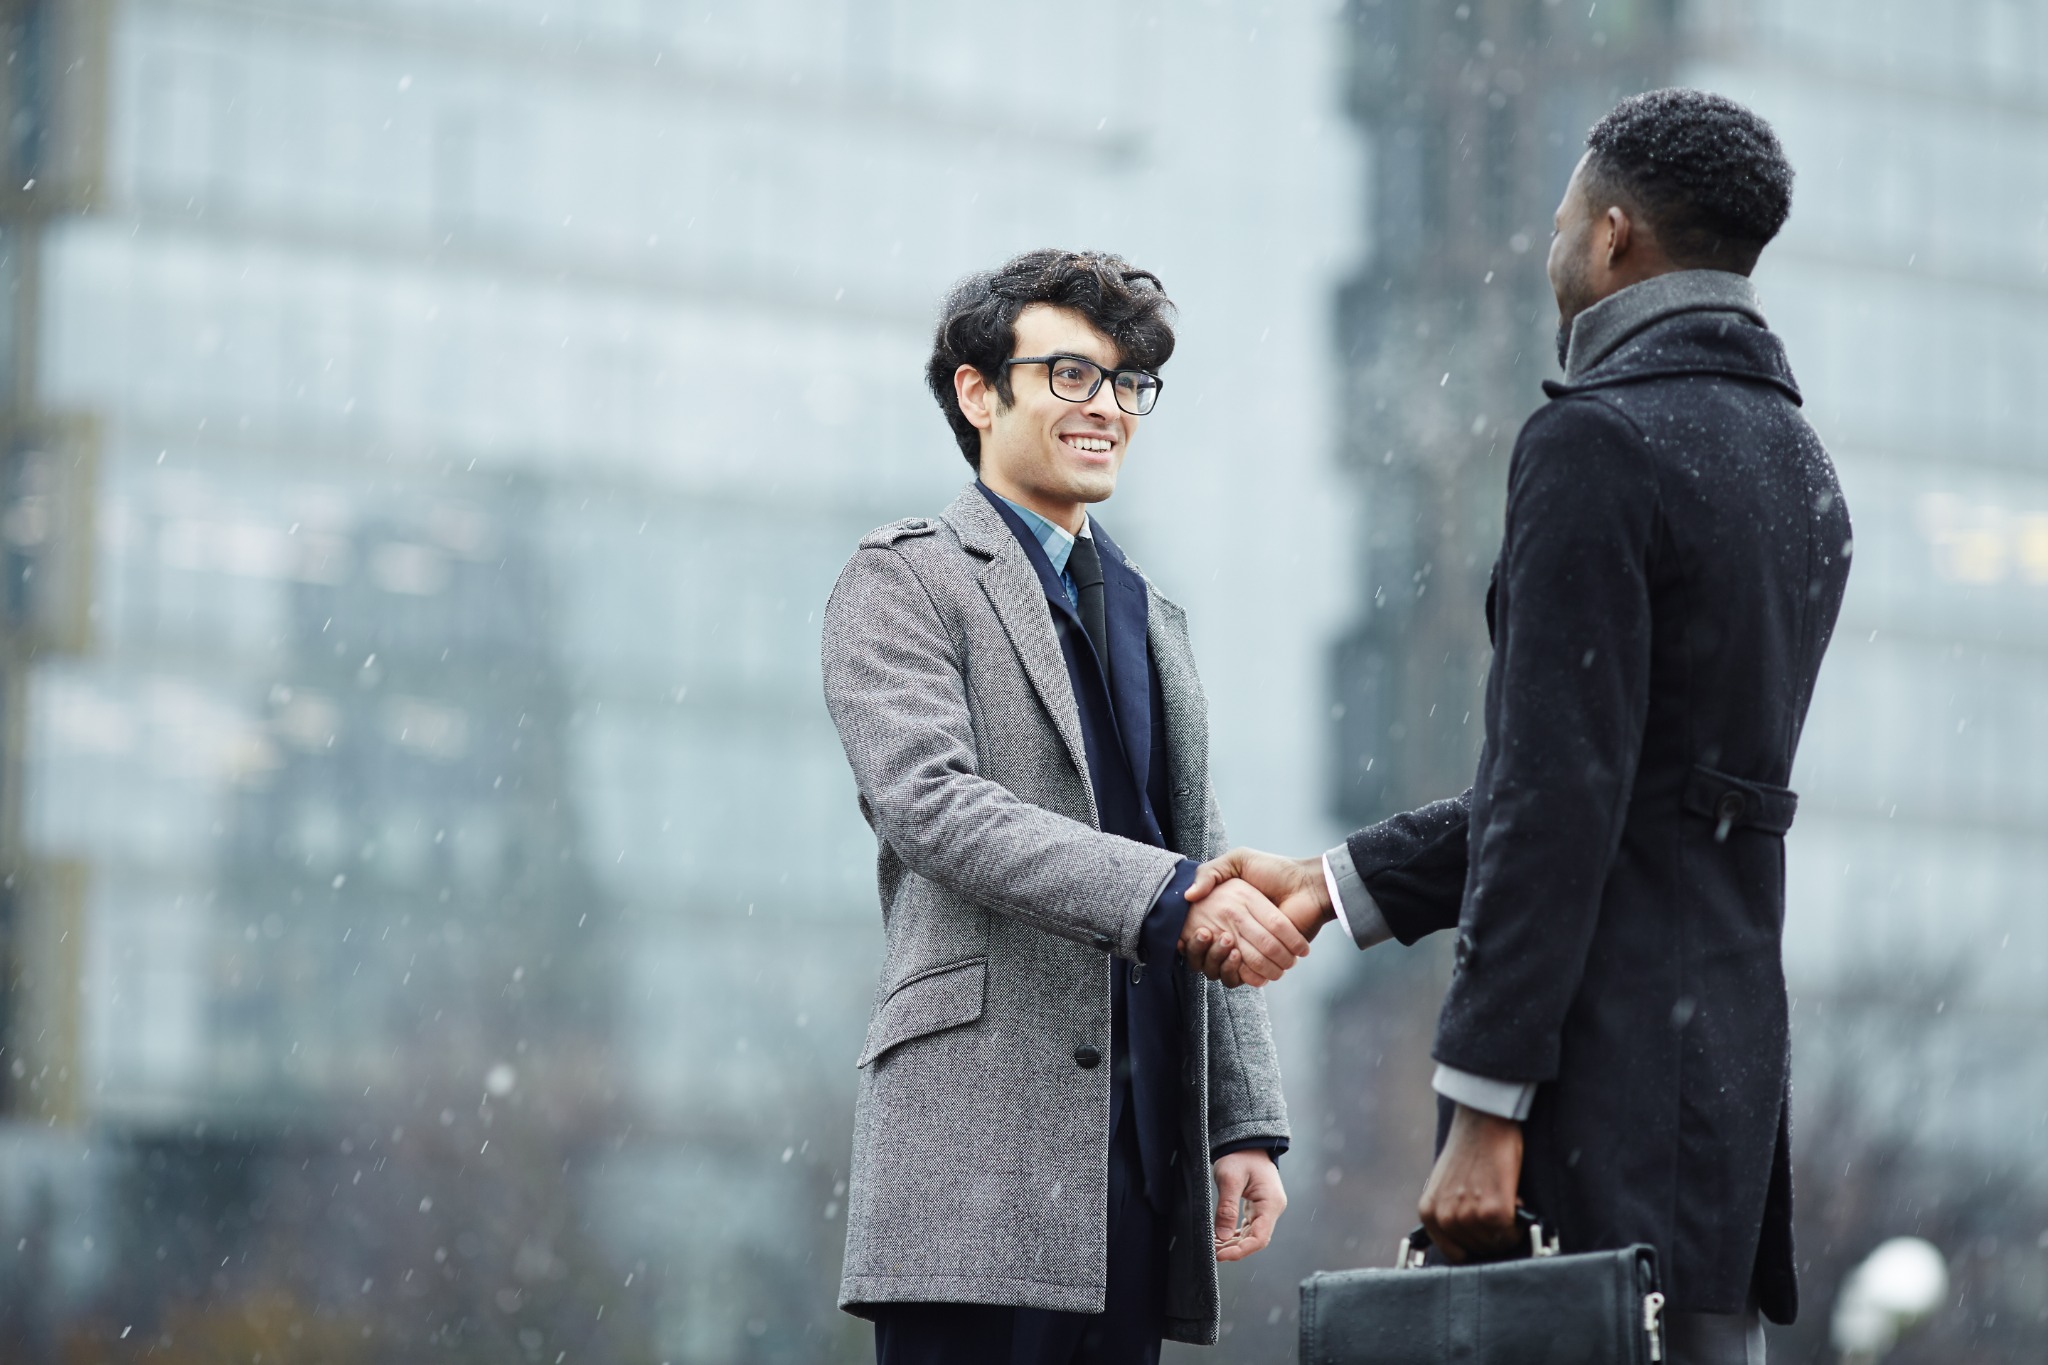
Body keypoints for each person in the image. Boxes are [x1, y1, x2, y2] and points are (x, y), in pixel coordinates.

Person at [1181, 90, 1850, 1365]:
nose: (1548, 248)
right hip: (1719, 1078)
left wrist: (1486, 1103)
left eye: (1557, 221)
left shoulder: (1595, 444)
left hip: (1587, 1073)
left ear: (1608, 239)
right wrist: (1337, 882)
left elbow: (1559, 795)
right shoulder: (1793, 463)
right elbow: (1634, 786)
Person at [820, 248, 1307, 1365]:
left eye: (1126, 383)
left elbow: (1201, 849)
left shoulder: (1148, 612)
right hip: (974, 1158)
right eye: (1070, 376)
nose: (1109, 409)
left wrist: (1241, 1122)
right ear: (976, 392)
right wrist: (1169, 892)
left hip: (1138, 1164)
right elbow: (933, 807)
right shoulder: (902, 579)